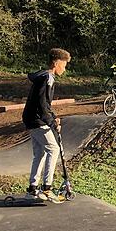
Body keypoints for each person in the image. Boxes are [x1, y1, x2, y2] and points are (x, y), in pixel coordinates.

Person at [22, 48, 71, 203]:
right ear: (56, 63)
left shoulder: (44, 76)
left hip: (31, 119)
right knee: (53, 149)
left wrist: (53, 118)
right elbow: (43, 105)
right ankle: (47, 189)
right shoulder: (48, 78)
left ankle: (32, 189)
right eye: (64, 64)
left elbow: (45, 105)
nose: (65, 68)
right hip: (37, 120)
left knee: (40, 153)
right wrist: (51, 122)